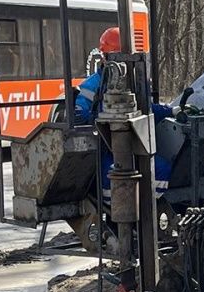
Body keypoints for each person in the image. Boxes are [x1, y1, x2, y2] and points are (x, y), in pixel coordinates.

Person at [75, 27, 176, 200]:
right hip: (105, 150)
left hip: (133, 145)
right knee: (116, 173)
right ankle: (119, 211)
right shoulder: (92, 85)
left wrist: (171, 110)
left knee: (161, 168)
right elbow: (80, 116)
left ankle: (147, 210)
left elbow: (147, 107)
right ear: (106, 57)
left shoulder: (135, 83)